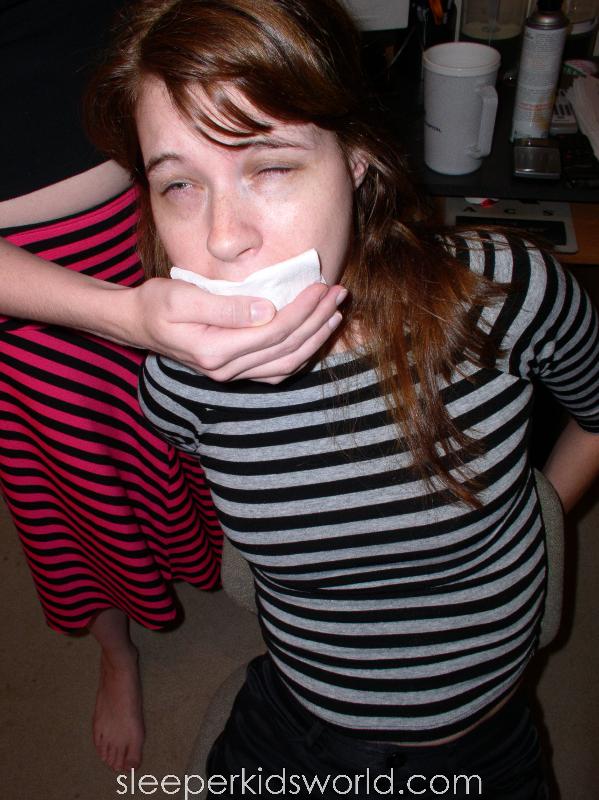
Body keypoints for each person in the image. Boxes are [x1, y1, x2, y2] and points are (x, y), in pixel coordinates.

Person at [88, 0, 599, 796]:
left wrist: (533, 516)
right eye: (179, 183)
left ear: (355, 157)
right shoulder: (183, 376)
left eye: (270, 165)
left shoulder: (503, 295)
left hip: (482, 740)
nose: (223, 237)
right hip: (300, 717)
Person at [0, 0, 345, 775]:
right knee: (78, 487)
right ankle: (116, 650)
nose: (230, 239)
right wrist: (120, 317)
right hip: (19, 292)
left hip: (162, 207)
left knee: (222, 447)